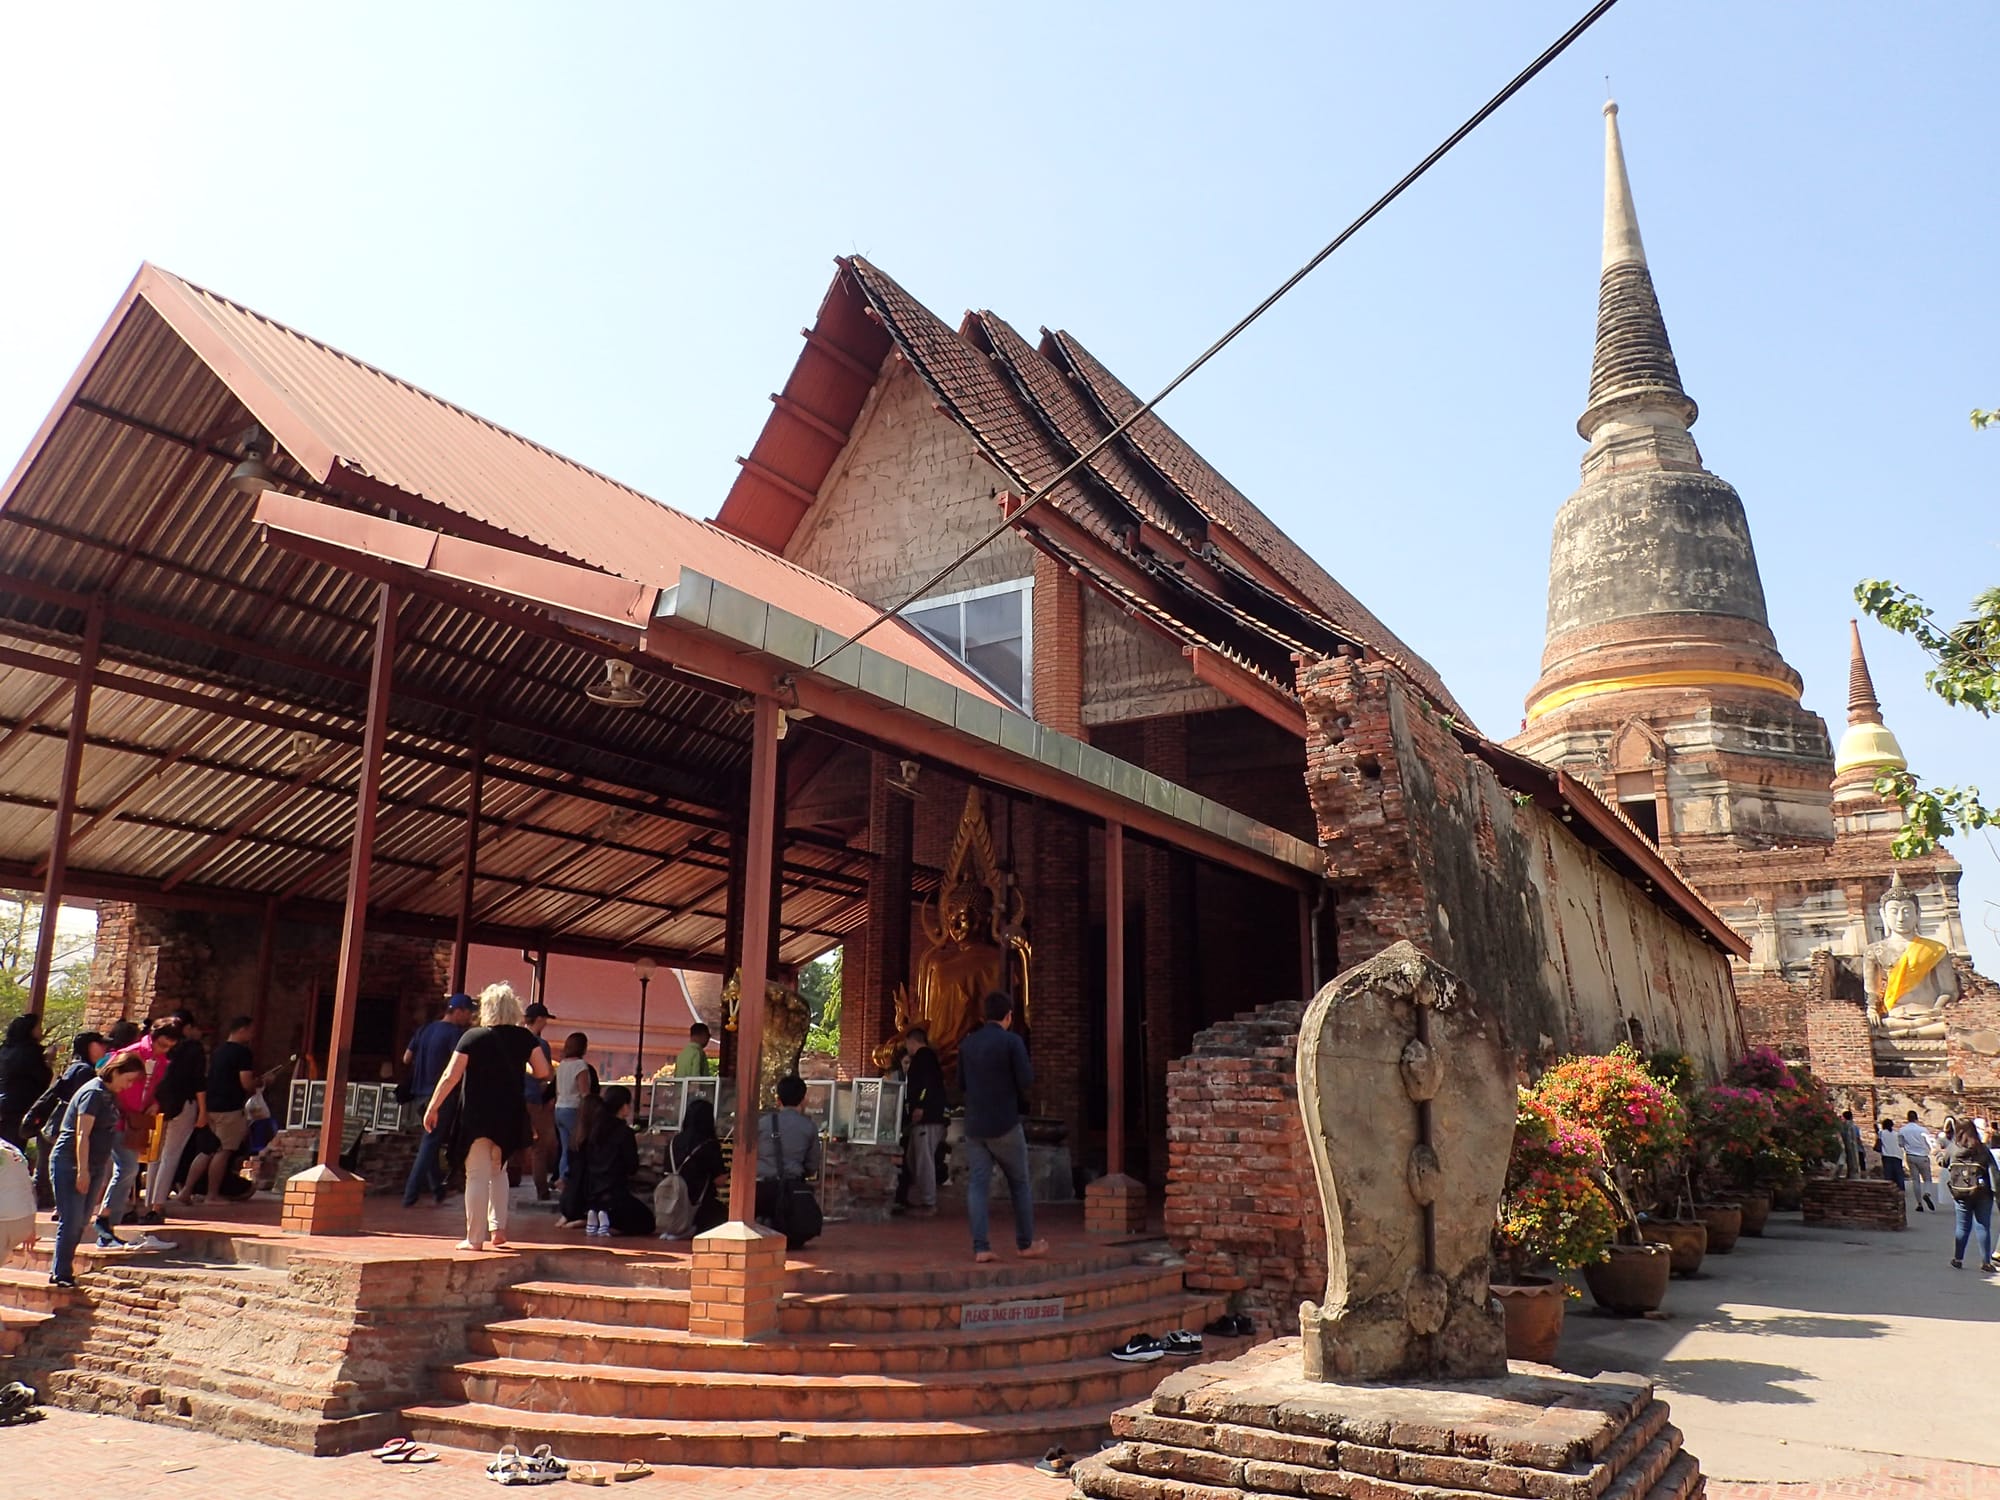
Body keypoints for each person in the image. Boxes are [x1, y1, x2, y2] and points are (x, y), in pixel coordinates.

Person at [424, 982, 550, 1251]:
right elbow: (543, 1071)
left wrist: (433, 1106)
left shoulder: (472, 1037)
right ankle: (499, 1230)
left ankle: (474, 1238)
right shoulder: (525, 1038)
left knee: (477, 1174)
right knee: (499, 1170)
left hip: (477, 1115)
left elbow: (450, 1076)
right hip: (510, 1114)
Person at [955, 991, 1047, 1264]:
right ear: (1009, 1016)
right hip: (1005, 1122)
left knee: (977, 1185)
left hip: (974, 1125)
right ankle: (1025, 1243)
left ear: (984, 1016)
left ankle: (981, 1247)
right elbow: (1026, 1080)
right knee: (1019, 1183)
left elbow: (961, 1083)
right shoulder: (1012, 1042)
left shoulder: (967, 1044)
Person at [48, 1051, 146, 1288]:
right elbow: (82, 1134)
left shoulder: (111, 1095)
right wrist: (82, 1171)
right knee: (71, 1219)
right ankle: (61, 1272)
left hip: (94, 1164)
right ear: (116, 1072)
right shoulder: (93, 1093)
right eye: (128, 1079)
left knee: (81, 1219)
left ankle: (63, 1269)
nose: (129, 1085)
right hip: (71, 1162)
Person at [401, 994, 474, 1208]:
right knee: (430, 1144)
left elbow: (406, 1057)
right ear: (458, 1010)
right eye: (468, 1012)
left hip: (418, 1094)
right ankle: (410, 1194)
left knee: (429, 1141)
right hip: (440, 1096)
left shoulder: (424, 1030)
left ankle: (438, 1191)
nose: (469, 1017)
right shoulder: (455, 1034)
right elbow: (459, 1065)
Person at [180, 1017, 261, 1207]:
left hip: (211, 1105)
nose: (251, 1035)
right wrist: (261, 1082)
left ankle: (186, 1190)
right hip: (230, 1107)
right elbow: (246, 1082)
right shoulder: (243, 1053)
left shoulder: (218, 1051)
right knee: (224, 1151)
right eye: (250, 1031)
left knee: (206, 1150)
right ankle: (212, 1194)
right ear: (242, 1030)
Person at [24, 1032, 106, 1210]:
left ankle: (30, 1208)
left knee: (43, 1172)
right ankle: (55, 1208)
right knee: (59, 1171)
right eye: (99, 1044)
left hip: (52, 1125)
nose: (104, 1048)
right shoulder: (84, 1071)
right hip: (63, 1127)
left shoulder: (75, 1067)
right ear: (89, 1046)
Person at [142, 1013, 207, 1224]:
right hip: (183, 1103)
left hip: (156, 1104)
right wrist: (203, 1111)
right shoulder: (193, 1049)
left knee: (154, 1155)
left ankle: (149, 1202)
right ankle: (158, 1204)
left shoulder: (154, 1048)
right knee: (171, 1155)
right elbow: (199, 1082)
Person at [755, 1075, 823, 1250]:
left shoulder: (762, 1124)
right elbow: (812, 1164)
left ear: (778, 1099)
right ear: (803, 1099)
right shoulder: (808, 1127)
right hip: (793, 1190)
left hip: (762, 1190)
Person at [581, 1085, 654, 1237]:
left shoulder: (595, 1129)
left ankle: (596, 1215)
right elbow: (631, 1166)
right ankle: (605, 1218)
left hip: (592, 1194)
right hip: (615, 1195)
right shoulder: (624, 1132)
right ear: (624, 1106)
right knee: (648, 1222)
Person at [508, 1001, 558, 1201]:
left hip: (513, 1096)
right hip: (533, 1098)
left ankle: (510, 1179)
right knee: (539, 1145)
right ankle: (541, 1189)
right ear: (539, 1020)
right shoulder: (539, 1044)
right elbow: (544, 1074)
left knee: (511, 1139)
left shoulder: (512, 1039)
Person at [899, 1025, 947, 1217]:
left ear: (913, 1041)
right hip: (923, 1117)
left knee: (923, 1159)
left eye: (907, 1044)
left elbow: (927, 1084)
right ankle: (917, 1195)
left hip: (928, 1117)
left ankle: (929, 1202)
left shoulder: (924, 1057)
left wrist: (920, 1105)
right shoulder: (926, 1058)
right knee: (912, 1157)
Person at [1939, 1119, 1996, 1271]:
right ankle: (1986, 1262)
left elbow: (1943, 1162)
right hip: (1982, 1192)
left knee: (1962, 1227)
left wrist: (1939, 1155)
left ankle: (1958, 1259)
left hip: (1961, 1193)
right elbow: (1994, 1171)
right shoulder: (1982, 1149)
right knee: (1983, 1226)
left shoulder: (1953, 1148)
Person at [668, 1096, 727, 1237]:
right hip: (700, 1204)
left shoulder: (674, 1141)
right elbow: (720, 1180)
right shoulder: (710, 1144)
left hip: (673, 1200)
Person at [0, 1013, 52, 1150]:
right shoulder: (30, 1052)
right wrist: (48, 1062)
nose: (40, 1031)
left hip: (3, 1104)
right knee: (12, 1150)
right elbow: (43, 1078)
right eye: (37, 1027)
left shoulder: (5, 1049)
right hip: (18, 1108)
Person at [553, 1032, 593, 1186]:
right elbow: (584, 1092)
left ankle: (562, 1177)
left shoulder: (562, 1065)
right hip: (573, 1108)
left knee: (564, 1148)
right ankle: (571, 1179)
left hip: (559, 1108)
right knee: (577, 1147)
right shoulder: (580, 1065)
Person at [1898, 1110, 1938, 1212]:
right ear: (1917, 1118)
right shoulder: (1922, 1130)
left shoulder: (1903, 1130)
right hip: (1923, 1156)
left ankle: (1919, 1203)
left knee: (1915, 1180)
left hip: (1910, 1155)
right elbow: (1929, 1142)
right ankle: (1927, 1193)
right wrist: (1931, 1149)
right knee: (1927, 1179)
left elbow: (1900, 1144)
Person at [1876, 1117, 1905, 1193]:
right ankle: (1901, 1191)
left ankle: (1889, 1192)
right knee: (1899, 1175)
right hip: (1898, 1155)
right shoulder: (1896, 1134)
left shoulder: (1881, 1133)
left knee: (1888, 1176)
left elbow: (1878, 1144)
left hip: (1887, 1155)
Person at [1839, 1111, 1865, 1179]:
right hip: (1855, 1148)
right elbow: (1858, 1138)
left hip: (1850, 1148)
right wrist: (1862, 1147)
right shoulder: (1853, 1126)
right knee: (1857, 1165)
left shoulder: (1844, 1126)